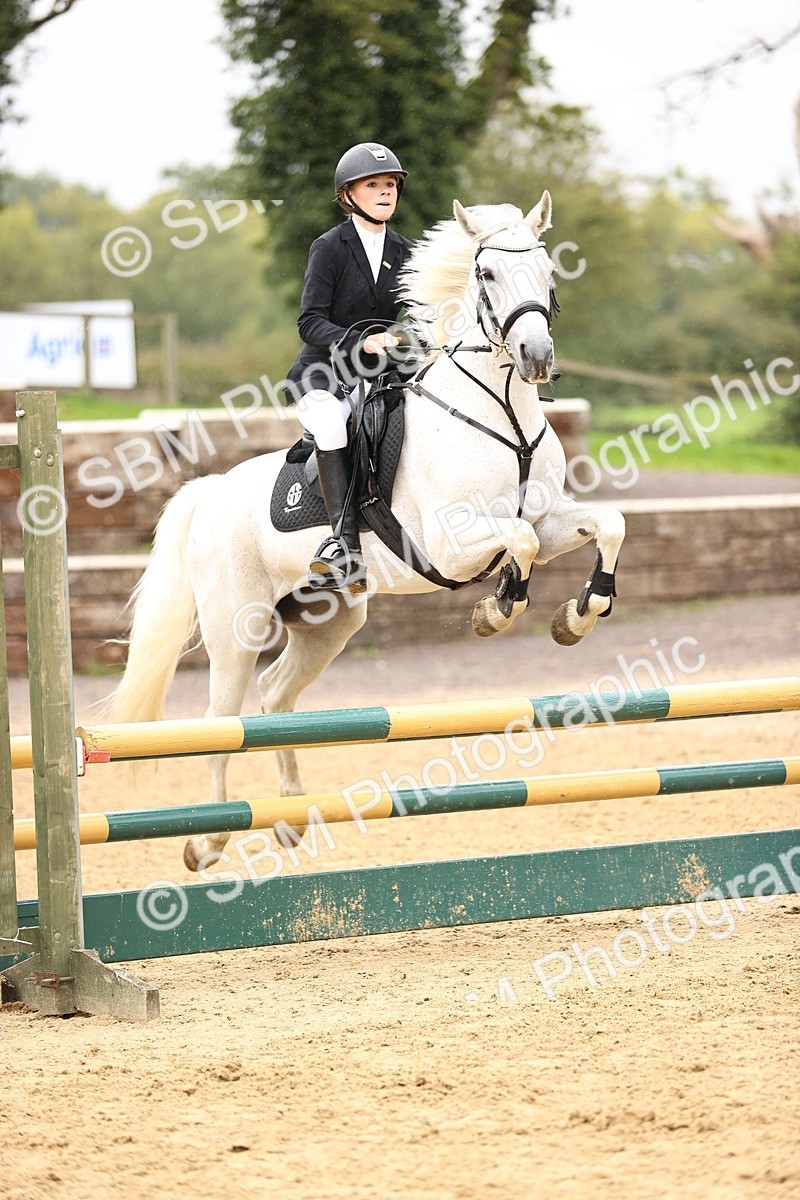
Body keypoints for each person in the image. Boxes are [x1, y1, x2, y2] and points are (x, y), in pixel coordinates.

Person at [284, 142, 415, 593]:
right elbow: (310, 321)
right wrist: (362, 339)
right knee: (332, 424)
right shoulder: (329, 248)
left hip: (382, 373)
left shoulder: (405, 250)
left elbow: (419, 314)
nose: (385, 193)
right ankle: (343, 545)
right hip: (325, 374)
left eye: (391, 185)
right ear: (348, 195)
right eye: (373, 185)